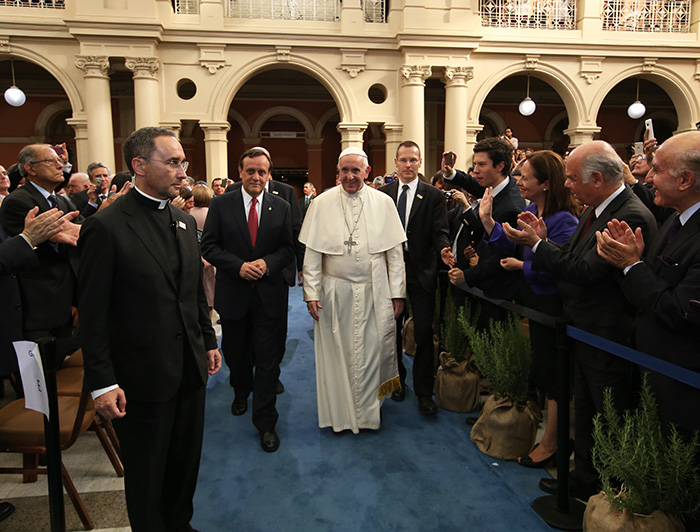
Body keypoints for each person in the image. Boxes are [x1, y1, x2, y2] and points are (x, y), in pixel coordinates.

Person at [78, 126, 222, 532]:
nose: (183, 171)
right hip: (141, 375)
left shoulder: (181, 220)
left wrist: (207, 340)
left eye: (184, 162)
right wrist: (103, 382)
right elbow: (93, 313)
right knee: (147, 475)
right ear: (139, 165)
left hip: (189, 368)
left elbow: (192, 291)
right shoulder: (106, 227)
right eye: (173, 162)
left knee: (184, 463)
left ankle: (181, 525)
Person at [502, 140, 657, 500]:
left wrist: (538, 246)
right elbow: (572, 257)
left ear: (597, 178)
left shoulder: (627, 215)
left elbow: (585, 271)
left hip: (607, 335)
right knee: (585, 412)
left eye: (572, 178)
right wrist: (541, 242)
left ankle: (606, 493)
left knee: (608, 416)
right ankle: (583, 481)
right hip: (584, 330)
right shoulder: (596, 208)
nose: (567, 185)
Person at [465, 150, 579, 468]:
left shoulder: (564, 220)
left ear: (546, 183)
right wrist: (488, 221)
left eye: (525, 177)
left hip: (551, 305)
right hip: (533, 303)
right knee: (543, 371)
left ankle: (553, 442)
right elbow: (509, 244)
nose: (519, 182)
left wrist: (522, 264)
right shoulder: (531, 208)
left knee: (555, 377)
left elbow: (560, 270)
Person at [596, 131, 700, 435]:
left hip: (683, 380)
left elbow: (678, 310)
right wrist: (633, 263)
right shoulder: (676, 220)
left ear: (685, 181)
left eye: (657, 170)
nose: (648, 177)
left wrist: (632, 265)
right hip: (653, 368)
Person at [300, 147, 406, 433]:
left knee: (372, 349)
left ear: (367, 172)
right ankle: (340, 416)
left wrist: (398, 294)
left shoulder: (383, 203)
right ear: (338, 172)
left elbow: (394, 255)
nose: (349, 176)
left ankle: (368, 416)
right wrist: (311, 293)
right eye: (344, 170)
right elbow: (312, 254)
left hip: (375, 291)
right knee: (337, 353)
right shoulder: (321, 203)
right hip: (335, 293)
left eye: (355, 170)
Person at [202, 148, 294, 452]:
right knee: (237, 353)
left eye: (262, 172)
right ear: (240, 172)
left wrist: (267, 264)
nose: (256, 177)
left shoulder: (280, 206)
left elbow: (287, 248)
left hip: (269, 296)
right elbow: (210, 246)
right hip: (234, 294)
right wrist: (238, 266)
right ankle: (240, 390)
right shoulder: (220, 204)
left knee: (268, 361)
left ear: (269, 175)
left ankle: (266, 423)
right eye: (250, 171)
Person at [379, 140, 451, 416]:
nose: (408, 165)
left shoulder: (433, 195)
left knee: (423, 333)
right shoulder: (383, 194)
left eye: (413, 160)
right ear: (395, 163)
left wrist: (444, 248)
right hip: (388, 273)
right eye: (403, 160)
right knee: (391, 331)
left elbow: (440, 230)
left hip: (421, 271)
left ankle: (424, 391)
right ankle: (396, 381)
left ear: (420, 163)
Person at [0, 144, 82, 344]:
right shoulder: (18, 201)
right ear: (30, 169)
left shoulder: (61, 201)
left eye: (60, 162)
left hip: (66, 300)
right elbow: (19, 253)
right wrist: (49, 240)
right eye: (51, 161)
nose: (59, 166)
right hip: (39, 304)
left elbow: (81, 229)